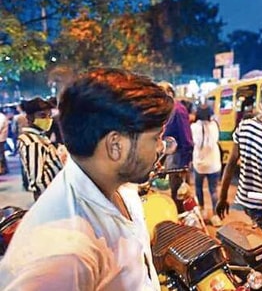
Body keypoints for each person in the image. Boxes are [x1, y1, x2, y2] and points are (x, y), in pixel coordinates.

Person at [0, 68, 173, 290]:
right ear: (115, 146)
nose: (161, 148)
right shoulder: (64, 255)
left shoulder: (120, 187)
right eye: (155, 138)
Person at [217, 81, 262, 256]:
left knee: (251, 247)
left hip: (245, 201)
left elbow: (231, 163)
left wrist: (223, 197)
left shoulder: (244, 126)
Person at [16, 97, 64, 200]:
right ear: (29, 118)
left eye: (49, 116)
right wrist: (49, 202)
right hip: (51, 198)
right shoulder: (32, 141)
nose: (47, 119)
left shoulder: (39, 137)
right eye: (42, 116)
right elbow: (38, 180)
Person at [158, 81, 194, 214]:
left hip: (178, 158)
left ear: (170, 94)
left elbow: (187, 140)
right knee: (176, 193)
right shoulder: (168, 110)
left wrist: (184, 165)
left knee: (180, 196)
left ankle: (183, 228)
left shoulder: (177, 110)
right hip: (171, 156)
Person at [190, 104, 222, 226]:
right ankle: (215, 215)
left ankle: (202, 211)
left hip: (199, 164)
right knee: (213, 190)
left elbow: (193, 143)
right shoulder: (214, 126)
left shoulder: (193, 127)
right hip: (213, 163)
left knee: (198, 188)